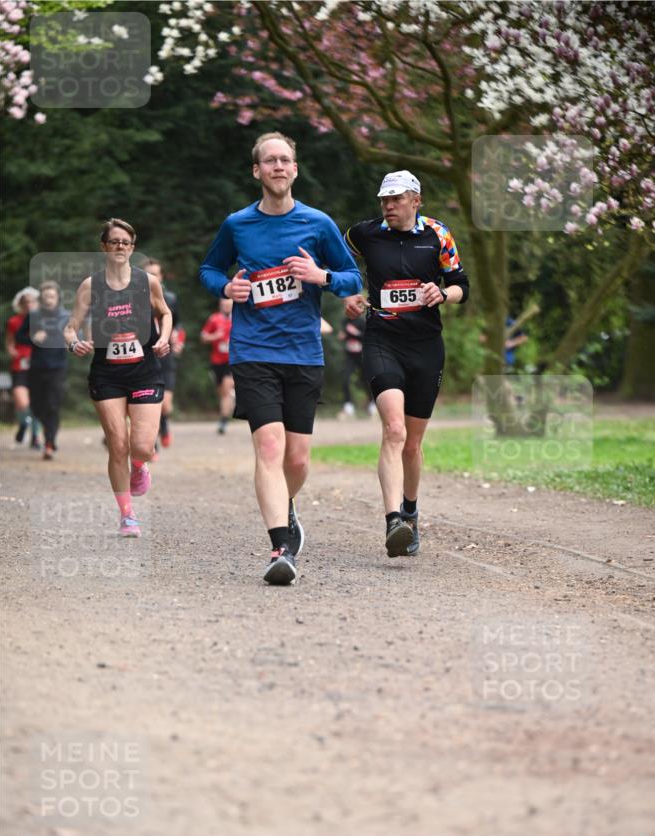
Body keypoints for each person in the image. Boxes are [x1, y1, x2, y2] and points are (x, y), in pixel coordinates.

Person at [200, 131, 362, 585]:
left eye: (285, 160)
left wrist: (321, 275)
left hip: (303, 352)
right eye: (269, 160)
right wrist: (226, 286)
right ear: (257, 171)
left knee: (297, 459)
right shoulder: (238, 224)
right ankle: (280, 548)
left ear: (295, 169)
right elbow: (209, 268)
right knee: (269, 448)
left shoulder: (318, 223)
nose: (277, 166)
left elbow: (352, 278)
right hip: (253, 351)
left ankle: (286, 508)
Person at [344, 170, 469, 557]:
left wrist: (443, 293)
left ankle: (410, 512)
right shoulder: (364, 234)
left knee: (412, 445)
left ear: (416, 200)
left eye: (396, 199)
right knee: (394, 430)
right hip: (382, 341)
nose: (389, 206)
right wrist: (349, 292)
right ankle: (393, 520)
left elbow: (462, 285)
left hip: (426, 347)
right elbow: (338, 258)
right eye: (384, 199)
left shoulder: (437, 234)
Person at [64, 218, 172, 537]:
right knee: (117, 444)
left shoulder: (147, 282)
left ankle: (139, 466)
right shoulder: (91, 286)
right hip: (107, 374)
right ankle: (127, 515)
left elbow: (165, 313)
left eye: (125, 242)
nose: (120, 247)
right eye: (114, 241)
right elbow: (70, 327)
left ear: (133, 248)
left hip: (144, 372)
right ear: (104, 247)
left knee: (142, 447)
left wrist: (164, 338)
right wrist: (74, 343)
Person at [17, 281, 70, 460]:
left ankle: (49, 442)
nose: (49, 300)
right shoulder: (34, 315)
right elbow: (19, 336)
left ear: (58, 298)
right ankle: (47, 433)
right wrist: (33, 338)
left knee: (52, 405)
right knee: (36, 406)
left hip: (58, 368)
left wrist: (71, 342)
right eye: (46, 296)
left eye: (52, 296)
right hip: (37, 367)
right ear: (41, 298)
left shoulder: (65, 316)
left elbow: (76, 336)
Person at [143, 259, 183, 447]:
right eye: (148, 274)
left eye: (155, 274)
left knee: (165, 405)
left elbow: (178, 324)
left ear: (161, 277)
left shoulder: (171, 298)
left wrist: (178, 339)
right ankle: (153, 443)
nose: (151, 277)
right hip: (144, 356)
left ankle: (164, 425)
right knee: (149, 402)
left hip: (165, 355)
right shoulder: (134, 298)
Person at [5, 286, 41, 448]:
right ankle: (24, 423)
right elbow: (9, 342)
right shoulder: (13, 322)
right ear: (20, 304)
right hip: (20, 365)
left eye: (32, 301)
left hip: (38, 365)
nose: (28, 305)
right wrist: (12, 351)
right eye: (25, 302)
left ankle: (35, 437)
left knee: (36, 403)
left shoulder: (43, 321)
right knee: (22, 402)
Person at [200, 297, 235, 434]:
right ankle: (229, 403)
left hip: (232, 360)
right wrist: (215, 336)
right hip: (216, 361)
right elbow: (203, 337)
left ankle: (223, 422)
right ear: (220, 305)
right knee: (222, 393)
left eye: (229, 305)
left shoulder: (238, 319)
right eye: (224, 304)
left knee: (226, 390)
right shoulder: (214, 319)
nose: (226, 307)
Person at [337, 313, 375, 418]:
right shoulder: (345, 321)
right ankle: (348, 406)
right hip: (350, 356)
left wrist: (355, 333)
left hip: (361, 355)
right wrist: (343, 336)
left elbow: (366, 337)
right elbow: (343, 335)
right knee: (345, 378)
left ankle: (372, 404)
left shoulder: (362, 322)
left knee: (365, 380)